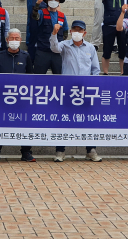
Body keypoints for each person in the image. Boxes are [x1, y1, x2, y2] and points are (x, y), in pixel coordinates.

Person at [49, 20, 101, 163]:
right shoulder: (65, 45)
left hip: (85, 91)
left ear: (85, 32)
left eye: (80, 30)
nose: (77, 32)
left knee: (88, 121)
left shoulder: (90, 48)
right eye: (75, 30)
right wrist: (54, 34)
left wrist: (92, 85)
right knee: (64, 120)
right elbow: (54, 48)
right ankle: (60, 151)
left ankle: (91, 150)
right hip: (68, 90)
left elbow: (96, 69)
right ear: (71, 31)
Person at [0, 29, 35, 162]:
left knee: (24, 124)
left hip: (21, 98)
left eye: (17, 38)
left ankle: (26, 152)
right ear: (7, 40)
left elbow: (31, 76)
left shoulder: (26, 56)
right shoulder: (0, 55)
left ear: (21, 40)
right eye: (12, 38)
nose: (14, 41)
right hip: (2, 97)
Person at [31, 0, 68, 75]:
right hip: (43, 51)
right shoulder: (42, 13)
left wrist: (58, 42)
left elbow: (65, 32)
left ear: (58, 2)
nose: (53, 1)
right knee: (38, 77)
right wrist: (37, 4)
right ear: (47, 1)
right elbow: (34, 16)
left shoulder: (62, 16)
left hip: (57, 53)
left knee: (59, 77)